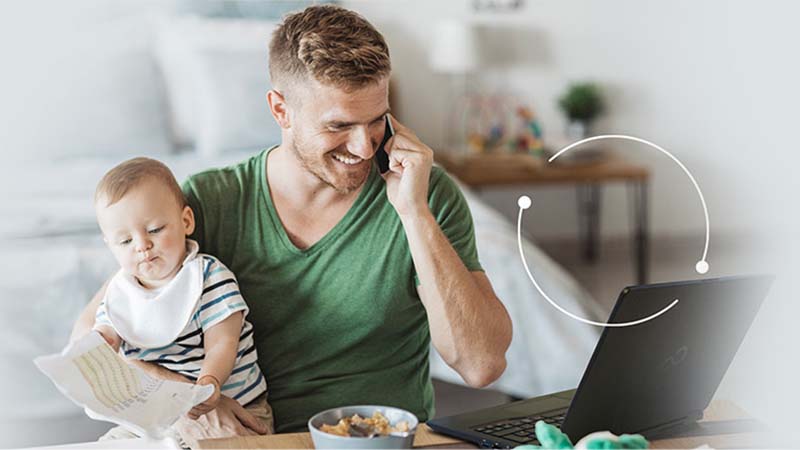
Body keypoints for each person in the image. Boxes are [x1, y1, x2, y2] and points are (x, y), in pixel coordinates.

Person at [71, 4, 512, 439]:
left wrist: (413, 214)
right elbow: (87, 347)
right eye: (338, 125)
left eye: (376, 120)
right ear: (280, 109)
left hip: (373, 441)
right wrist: (188, 401)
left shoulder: (424, 193)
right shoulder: (211, 200)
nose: (362, 147)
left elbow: (480, 365)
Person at [85, 158, 273, 442]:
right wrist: (98, 346)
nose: (142, 245)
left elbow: (223, 342)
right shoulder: (120, 291)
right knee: (110, 444)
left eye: (155, 229)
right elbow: (106, 334)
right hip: (156, 415)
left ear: (185, 221)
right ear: (109, 245)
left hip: (236, 408)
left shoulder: (208, 276)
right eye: (125, 241)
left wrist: (209, 383)